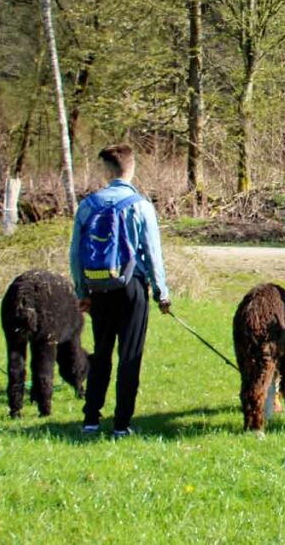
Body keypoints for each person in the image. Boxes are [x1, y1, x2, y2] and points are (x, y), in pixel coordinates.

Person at [70, 144, 171, 438]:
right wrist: (161, 292)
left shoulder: (88, 205)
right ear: (132, 168)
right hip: (132, 287)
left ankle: (90, 418)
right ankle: (121, 424)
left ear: (106, 170)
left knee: (101, 353)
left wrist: (82, 291)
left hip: (99, 287)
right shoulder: (141, 206)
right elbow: (153, 254)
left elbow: (75, 254)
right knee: (130, 355)